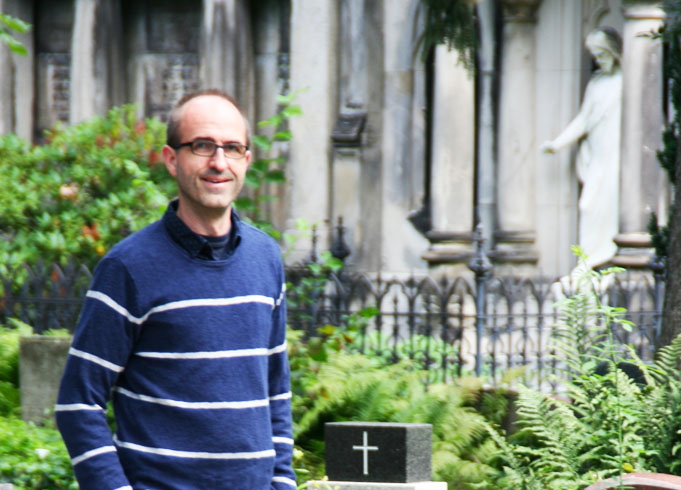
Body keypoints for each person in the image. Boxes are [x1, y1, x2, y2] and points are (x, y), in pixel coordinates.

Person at [56, 89, 296, 490]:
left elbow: (276, 390)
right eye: (202, 146)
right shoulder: (128, 268)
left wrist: (283, 483)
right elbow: (78, 404)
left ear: (247, 161)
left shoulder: (266, 258)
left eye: (232, 148)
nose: (219, 163)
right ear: (171, 159)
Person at [540, 26, 623, 269]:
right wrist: (557, 144)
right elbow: (583, 119)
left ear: (614, 52)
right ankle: (588, 264)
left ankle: (599, 262)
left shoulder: (626, 81)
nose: (599, 61)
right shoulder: (596, 84)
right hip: (598, 156)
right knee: (587, 205)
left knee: (607, 208)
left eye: (602, 55)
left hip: (615, 157)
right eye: (595, 57)